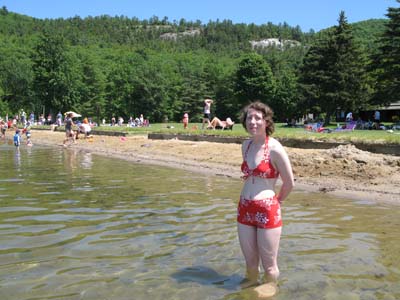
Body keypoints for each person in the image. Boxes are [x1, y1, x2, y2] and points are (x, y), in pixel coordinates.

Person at [237, 101, 294, 297]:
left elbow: (289, 183)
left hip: (267, 209)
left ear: (266, 121)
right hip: (244, 207)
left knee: (269, 266)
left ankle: (272, 290)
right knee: (251, 263)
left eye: (257, 118)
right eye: (249, 118)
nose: (252, 122)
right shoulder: (246, 145)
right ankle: (250, 290)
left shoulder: (275, 148)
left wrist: (277, 202)